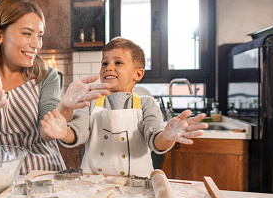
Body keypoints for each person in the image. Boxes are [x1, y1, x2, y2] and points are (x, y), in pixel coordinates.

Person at [0, 0, 110, 174]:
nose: (36, 44)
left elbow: (45, 132)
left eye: (40, 36)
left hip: (43, 174)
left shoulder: (46, 76)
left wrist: (65, 106)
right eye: (27, 33)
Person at [41, 37, 208, 177]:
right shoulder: (91, 102)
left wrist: (167, 136)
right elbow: (78, 131)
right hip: (93, 186)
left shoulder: (146, 104)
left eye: (118, 62)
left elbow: (156, 140)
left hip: (136, 188)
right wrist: (64, 132)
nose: (109, 67)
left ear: (138, 74)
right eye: (104, 63)